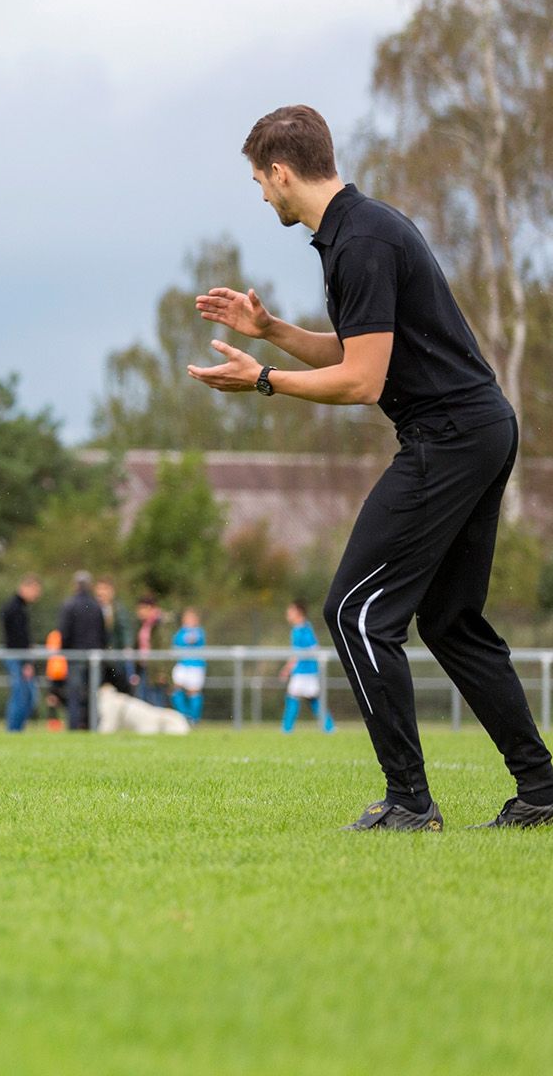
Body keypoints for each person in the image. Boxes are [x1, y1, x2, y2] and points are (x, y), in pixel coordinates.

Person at [192, 105, 553, 829]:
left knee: (353, 612)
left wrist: (261, 378)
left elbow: (360, 382)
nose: (262, 196)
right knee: (449, 620)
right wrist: (271, 332)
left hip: (449, 436)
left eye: (260, 181)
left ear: (282, 172)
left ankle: (409, 804)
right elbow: (358, 351)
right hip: (479, 427)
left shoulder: (358, 241)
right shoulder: (360, 229)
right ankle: (543, 790)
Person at [56, 572, 109, 731]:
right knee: (92, 695)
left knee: (74, 695)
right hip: (94, 657)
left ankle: (73, 727)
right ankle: (91, 727)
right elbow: (103, 633)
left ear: (76, 585)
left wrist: (65, 652)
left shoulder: (69, 605)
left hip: (75, 657)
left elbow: (63, 632)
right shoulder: (96, 606)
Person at [281, 600, 335, 735]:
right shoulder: (307, 627)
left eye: (290, 612)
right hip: (310, 671)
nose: (288, 615)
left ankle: (287, 729)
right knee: (313, 699)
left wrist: (286, 669)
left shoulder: (299, 631)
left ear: (298, 613)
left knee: (293, 697)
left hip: (303, 671)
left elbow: (298, 654)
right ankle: (329, 727)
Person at [1, 576, 41, 732]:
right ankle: (14, 730)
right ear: (26, 587)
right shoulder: (15, 608)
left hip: (19, 656)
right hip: (18, 658)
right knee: (21, 695)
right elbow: (18, 637)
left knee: (25, 696)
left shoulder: (16, 607)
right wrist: (27, 662)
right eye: (35, 591)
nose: (36, 596)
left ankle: (17, 729)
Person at [95, 578, 134, 697]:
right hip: (100, 658)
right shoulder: (92, 608)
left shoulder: (118, 609)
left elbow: (125, 629)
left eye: (104, 589)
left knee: (121, 690)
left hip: (116, 658)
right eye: (99, 589)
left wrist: (128, 646)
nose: (101, 593)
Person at [169, 609, 206, 725]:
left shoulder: (198, 632)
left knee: (193, 692)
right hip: (182, 664)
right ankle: (184, 716)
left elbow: (191, 640)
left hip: (196, 666)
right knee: (175, 690)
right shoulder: (180, 632)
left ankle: (193, 719)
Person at [134, 596, 167, 706]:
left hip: (154, 668)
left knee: (155, 701)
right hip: (143, 666)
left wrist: (162, 671)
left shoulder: (159, 625)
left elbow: (163, 648)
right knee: (142, 700)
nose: (139, 611)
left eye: (142, 608)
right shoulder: (142, 624)